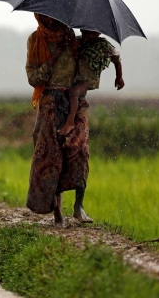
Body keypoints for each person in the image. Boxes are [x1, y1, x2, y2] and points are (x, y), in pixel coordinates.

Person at [25, 13, 92, 226]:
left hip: (74, 102)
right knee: (51, 156)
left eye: (53, 16)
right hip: (49, 104)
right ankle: (57, 213)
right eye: (45, 16)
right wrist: (53, 59)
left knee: (79, 149)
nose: (50, 20)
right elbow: (33, 78)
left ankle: (78, 206)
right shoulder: (35, 40)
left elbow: (86, 72)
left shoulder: (72, 38)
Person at [58, 29, 125, 136]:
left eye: (92, 34)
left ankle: (70, 122)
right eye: (85, 32)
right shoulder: (78, 41)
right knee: (70, 93)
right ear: (81, 30)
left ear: (99, 33)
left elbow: (116, 60)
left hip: (90, 79)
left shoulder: (103, 46)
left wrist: (119, 77)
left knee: (74, 92)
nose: (87, 36)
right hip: (76, 76)